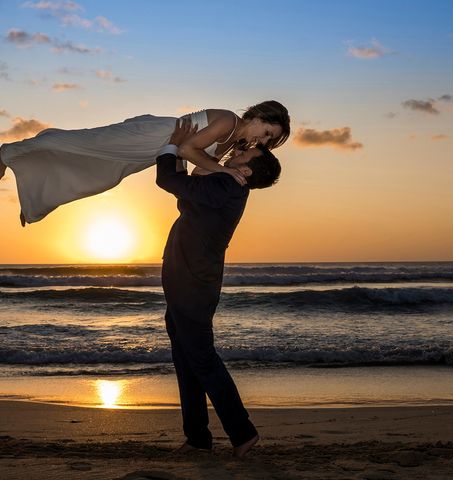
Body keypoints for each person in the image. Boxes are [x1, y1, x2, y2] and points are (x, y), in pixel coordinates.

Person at [157, 117, 281, 458]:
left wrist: (172, 145)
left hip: (192, 284)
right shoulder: (224, 185)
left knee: (201, 359)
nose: (235, 156)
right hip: (187, 279)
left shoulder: (229, 186)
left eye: (243, 157)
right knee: (186, 359)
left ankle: (242, 433)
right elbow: (184, 189)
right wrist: (183, 154)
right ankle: (197, 438)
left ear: (249, 171)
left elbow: (167, 179)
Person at [0, 100, 289, 225]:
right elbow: (188, 148)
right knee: (85, 142)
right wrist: (225, 169)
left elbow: (198, 170)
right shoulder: (228, 120)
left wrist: (228, 175)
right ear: (259, 116)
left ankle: (35, 198)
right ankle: (7, 153)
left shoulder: (231, 143)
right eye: (266, 134)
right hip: (152, 135)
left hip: (156, 151)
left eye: (268, 141)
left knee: (103, 176)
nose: (262, 142)